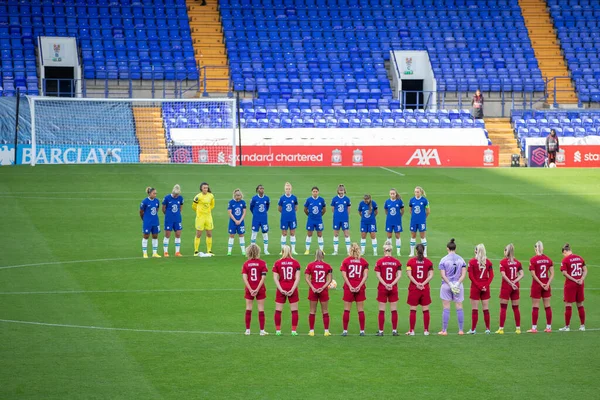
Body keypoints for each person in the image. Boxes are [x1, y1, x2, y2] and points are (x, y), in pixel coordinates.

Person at [438, 238, 467, 335]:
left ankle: (444, 330)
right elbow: (463, 274)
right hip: (458, 285)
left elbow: (443, 275)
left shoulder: (443, 260)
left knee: (446, 307)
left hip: (446, 285)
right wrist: (457, 284)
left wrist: (450, 284)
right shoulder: (461, 259)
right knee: (459, 306)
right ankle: (461, 330)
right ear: (455, 248)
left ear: (447, 248)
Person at [340, 243, 369, 336]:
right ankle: (362, 331)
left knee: (346, 310)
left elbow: (344, 275)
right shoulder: (364, 262)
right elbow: (365, 276)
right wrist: (359, 286)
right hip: (360, 287)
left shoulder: (346, 261)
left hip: (349, 287)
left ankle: (345, 331)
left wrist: (350, 286)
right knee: (360, 310)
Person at [272, 245, 302, 336]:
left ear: (282, 251)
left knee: (278, 310)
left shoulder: (277, 263)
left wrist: (280, 289)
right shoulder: (296, 263)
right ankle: (293, 331)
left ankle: (278, 331)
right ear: (290, 251)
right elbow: (297, 278)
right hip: (292, 287)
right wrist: (292, 289)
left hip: (281, 287)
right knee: (294, 310)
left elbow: (275, 278)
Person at [374, 241, 402, 336]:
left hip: (382, 287)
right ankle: (394, 330)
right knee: (393, 309)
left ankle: (381, 331)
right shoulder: (397, 262)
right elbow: (399, 275)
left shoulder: (379, 261)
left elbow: (378, 276)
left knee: (382, 310)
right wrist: (392, 284)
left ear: (384, 250)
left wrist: (386, 284)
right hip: (393, 288)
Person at [406, 243, 434, 336]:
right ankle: (426, 330)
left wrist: (417, 283)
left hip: (414, 288)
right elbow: (431, 275)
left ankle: (412, 330)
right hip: (425, 288)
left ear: (416, 251)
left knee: (413, 310)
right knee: (425, 310)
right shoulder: (429, 262)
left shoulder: (410, 262)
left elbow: (409, 275)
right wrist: (423, 283)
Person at [496, 243, 524, 334]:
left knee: (503, 307)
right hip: (515, 286)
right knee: (516, 308)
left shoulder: (503, 262)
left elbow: (503, 275)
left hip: (506, 286)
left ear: (506, 251)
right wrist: (515, 282)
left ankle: (501, 329)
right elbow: (522, 274)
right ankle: (518, 328)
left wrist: (510, 283)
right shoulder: (517, 262)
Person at [559, 243, 587, 332]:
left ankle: (567, 327)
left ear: (566, 251)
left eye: (564, 253)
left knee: (568, 305)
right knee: (580, 304)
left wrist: (574, 280)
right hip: (580, 284)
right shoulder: (580, 258)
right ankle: (582, 326)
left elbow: (564, 273)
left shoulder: (565, 260)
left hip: (570, 285)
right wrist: (581, 279)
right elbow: (585, 270)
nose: (563, 255)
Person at [242, 244, 269, 336]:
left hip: (249, 289)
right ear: (258, 251)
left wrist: (250, 289)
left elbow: (245, 278)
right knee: (261, 309)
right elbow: (263, 278)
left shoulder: (246, 264)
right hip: (260, 288)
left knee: (248, 308)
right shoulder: (262, 263)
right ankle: (262, 330)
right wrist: (257, 289)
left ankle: (247, 330)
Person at [305, 249, 333, 337]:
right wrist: (322, 288)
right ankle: (326, 331)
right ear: (323, 256)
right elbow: (329, 280)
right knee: (325, 311)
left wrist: (313, 287)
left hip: (313, 290)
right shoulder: (327, 266)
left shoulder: (310, 265)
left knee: (312, 311)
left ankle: (311, 331)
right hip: (323, 290)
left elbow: (306, 278)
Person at [467, 244, 494, 334]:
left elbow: (471, 276)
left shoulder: (472, 262)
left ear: (476, 251)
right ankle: (487, 329)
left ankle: (473, 329)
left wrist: (478, 286)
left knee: (475, 309)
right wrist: (486, 285)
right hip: (485, 288)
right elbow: (491, 276)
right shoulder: (488, 262)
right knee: (486, 308)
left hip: (475, 287)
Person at [528, 241, 554, 333]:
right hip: (546, 285)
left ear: (535, 249)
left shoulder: (533, 260)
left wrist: (540, 283)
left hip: (537, 285)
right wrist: (547, 284)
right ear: (542, 248)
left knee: (535, 306)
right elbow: (552, 273)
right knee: (547, 306)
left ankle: (534, 328)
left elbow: (533, 274)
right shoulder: (548, 259)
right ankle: (549, 327)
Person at [192, 182, 215, 256]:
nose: (206, 189)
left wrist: (208, 211)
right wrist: (199, 212)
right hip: (200, 217)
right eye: (204, 188)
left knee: (209, 233)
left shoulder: (211, 196)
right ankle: (196, 251)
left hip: (208, 217)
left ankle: (209, 250)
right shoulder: (198, 197)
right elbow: (194, 206)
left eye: (207, 188)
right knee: (198, 234)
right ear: (201, 188)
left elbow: (212, 204)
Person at [162, 184, 183, 257]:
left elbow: (180, 208)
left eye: (177, 195)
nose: (176, 196)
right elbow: (163, 209)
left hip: (177, 219)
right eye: (175, 195)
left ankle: (177, 252)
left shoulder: (180, 198)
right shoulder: (167, 198)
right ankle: (165, 252)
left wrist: (176, 215)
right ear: (173, 192)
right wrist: (168, 215)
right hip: (169, 219)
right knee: (167, 235)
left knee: (178, 234)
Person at [304, 186, 326, 255]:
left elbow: (324, 209)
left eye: (316, 191)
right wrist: (309, 215)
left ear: (318, 192)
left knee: (319, 234)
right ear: (312, 192)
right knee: (309, 234)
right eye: (314, 191)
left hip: (319, 220)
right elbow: (305, 209)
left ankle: (321, 250)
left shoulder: (321, 200)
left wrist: (319, 215)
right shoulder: (309, 200)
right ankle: (307, 250)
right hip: (311, 219)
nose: (315, 193)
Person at [140, 187, 161, 258]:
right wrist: (144, 219)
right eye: (154, 193)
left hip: (155, 221)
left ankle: (154, 253)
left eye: (156, 193)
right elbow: (141, 212)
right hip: (147, 222)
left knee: (155, 236)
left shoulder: (157, 201)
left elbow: (157, 209)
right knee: (146, 236)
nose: (155, 195)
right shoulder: (144, 201)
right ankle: (145, 253)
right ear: (149, 193)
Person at [278, 182, 298, 255]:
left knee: (292, 233)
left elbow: (296, 208)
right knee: (284, 233)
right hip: (284, 219)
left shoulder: (294, 198)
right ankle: (283, 250)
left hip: (292, 218)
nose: (288, 190)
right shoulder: (282, 198)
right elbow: (279, 208)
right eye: (286, 189)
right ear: (284, 189)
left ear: (291, 189)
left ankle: (293, 250)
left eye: (289, 189)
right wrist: (285, 213)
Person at [331, 184, 351, 255]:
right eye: (340, 190)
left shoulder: (347, 199)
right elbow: (333, 209)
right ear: (338, 191)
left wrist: (345, 216)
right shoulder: (334, 199)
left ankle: (349, 251)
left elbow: (349, 209)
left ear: (344, 191)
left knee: (346, 234)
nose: (341, 192)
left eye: (342, 190)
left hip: (344, 219)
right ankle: (335, 251)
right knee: (336, 234)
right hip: (336, 219)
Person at [408, 186, 429, 257]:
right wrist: (414, 216)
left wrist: (423, 218)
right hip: (413, 221)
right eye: (415, 192)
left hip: (421, 221)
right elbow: (410, 210)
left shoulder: (424, 201)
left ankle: (425, 253)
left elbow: (428, 211)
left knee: (422, 236)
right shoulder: (411, 200)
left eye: (418, 192)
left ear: (421, 192)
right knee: (413, 236)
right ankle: (412, 252)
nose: (416, 193)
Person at [249, 184, 270, 255]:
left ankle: (266, 250)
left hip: (264, 219)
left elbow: (267, 207)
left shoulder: (266, 198)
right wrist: (255, 214)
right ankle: (252, 250)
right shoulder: (254, 198)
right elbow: (251, 208)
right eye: (260, 188)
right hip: (256, 219)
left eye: (263, 188)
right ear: (257, 190)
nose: (262, 190)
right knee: (254, 233)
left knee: (265, 233)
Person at [384, 188, 404, 256]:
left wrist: (399, 216)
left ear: (396, 194)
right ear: (389, 194)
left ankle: (398, 251)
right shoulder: (387, 202)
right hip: (389, 221)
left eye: (393, 194)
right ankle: (389, 250)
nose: (392, 195)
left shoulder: (399, 201)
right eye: (391, 194)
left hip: (397, 221)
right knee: (389, 236)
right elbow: (386, 210)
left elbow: (402, 210)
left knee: (397, 235)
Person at [227, 189, 247, 256]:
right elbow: (229, 213)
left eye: (239, 195)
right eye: (237, 195)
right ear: (234, 196)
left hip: (241, 222)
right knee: (231, 235)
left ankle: (243, 251)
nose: (238, 197)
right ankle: (229, 251)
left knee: (241, 235)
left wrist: (240, 220)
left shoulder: (243, 202)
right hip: (232, 222)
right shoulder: (231, 202)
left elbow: (244, 212)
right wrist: (235, 220)